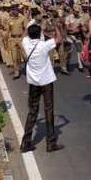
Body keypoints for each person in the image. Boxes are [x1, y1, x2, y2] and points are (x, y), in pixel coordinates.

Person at [20, 24, 64, 153]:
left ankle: (26, 142)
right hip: (46, 81)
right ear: (40, 34)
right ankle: (50, 143)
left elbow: (23, 36)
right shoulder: (43, 45)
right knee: (48, 110)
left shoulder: (26, 43)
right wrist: (57, 25)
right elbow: (59, 38)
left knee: (32, 111)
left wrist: (28, 25)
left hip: (33, 82)